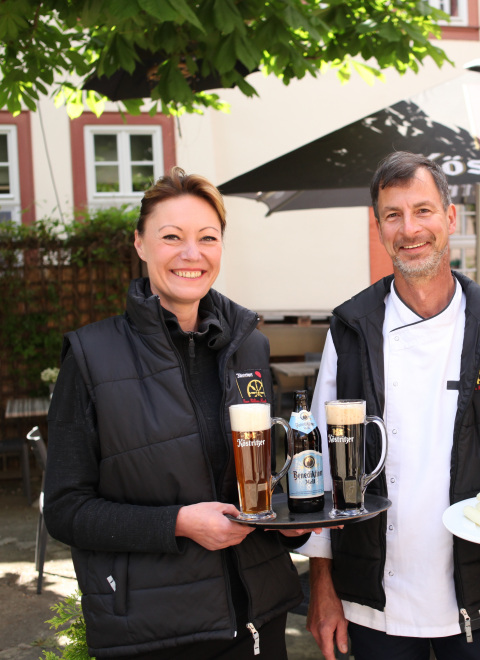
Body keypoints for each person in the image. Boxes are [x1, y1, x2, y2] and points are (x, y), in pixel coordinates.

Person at [44, 167, 311, 659]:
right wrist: (179, 523)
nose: (192, 254)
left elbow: (263, 481)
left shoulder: (249, 347)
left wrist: (293, 520)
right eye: (172, 237)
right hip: (157, 633)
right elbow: (65, 511)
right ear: (140, 244)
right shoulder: (91, 357)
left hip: (260, 618)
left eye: (207, 238)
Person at [301, 151, 480, 660]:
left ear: (450, 217)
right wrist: (322, 586)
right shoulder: (350, 331)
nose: (409, 229)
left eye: (423, 211)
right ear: (379, 228)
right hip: (374, 599)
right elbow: (325, 470)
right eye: (393, 215)